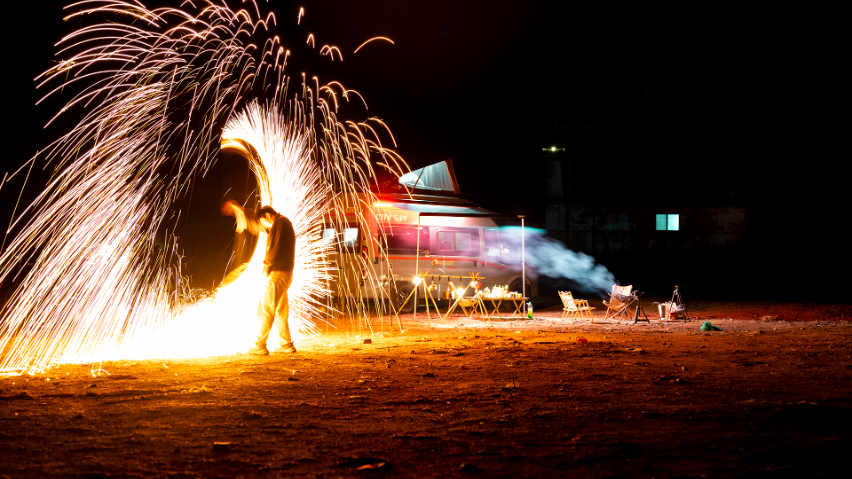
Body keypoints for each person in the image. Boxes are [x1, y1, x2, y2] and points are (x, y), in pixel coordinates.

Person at [248, 205, 297, 355]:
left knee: (266, 309)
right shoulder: (282, 224)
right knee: (281, 311)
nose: (264, 225)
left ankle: (260, 345)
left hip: (278, 274)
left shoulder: (280, 223)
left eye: (262, 221)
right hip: (284, 274)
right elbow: (275, 241)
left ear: (268, 215)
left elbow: (275, 247)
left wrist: (266, 263)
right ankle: (287, 344)